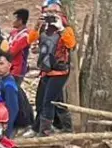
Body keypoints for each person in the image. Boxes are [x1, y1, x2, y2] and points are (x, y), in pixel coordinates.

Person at [28, 1, 77, 134]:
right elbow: (30, 40)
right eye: (49, 12)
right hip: (46, 69)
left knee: (47, 102)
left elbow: (71, 44)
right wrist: (37, 25)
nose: (52, 14)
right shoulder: (43, 27)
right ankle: (66, 128)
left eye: (55, 12)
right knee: (53, 100)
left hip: (60, 70)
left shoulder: (66, 28)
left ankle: (45, 132)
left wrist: (61, 28)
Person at [0, 52, 22, 137]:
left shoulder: (9, 85)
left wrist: (7, 129)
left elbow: (13, 110)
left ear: (9, 65)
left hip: (4, 126)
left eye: (1, 64)